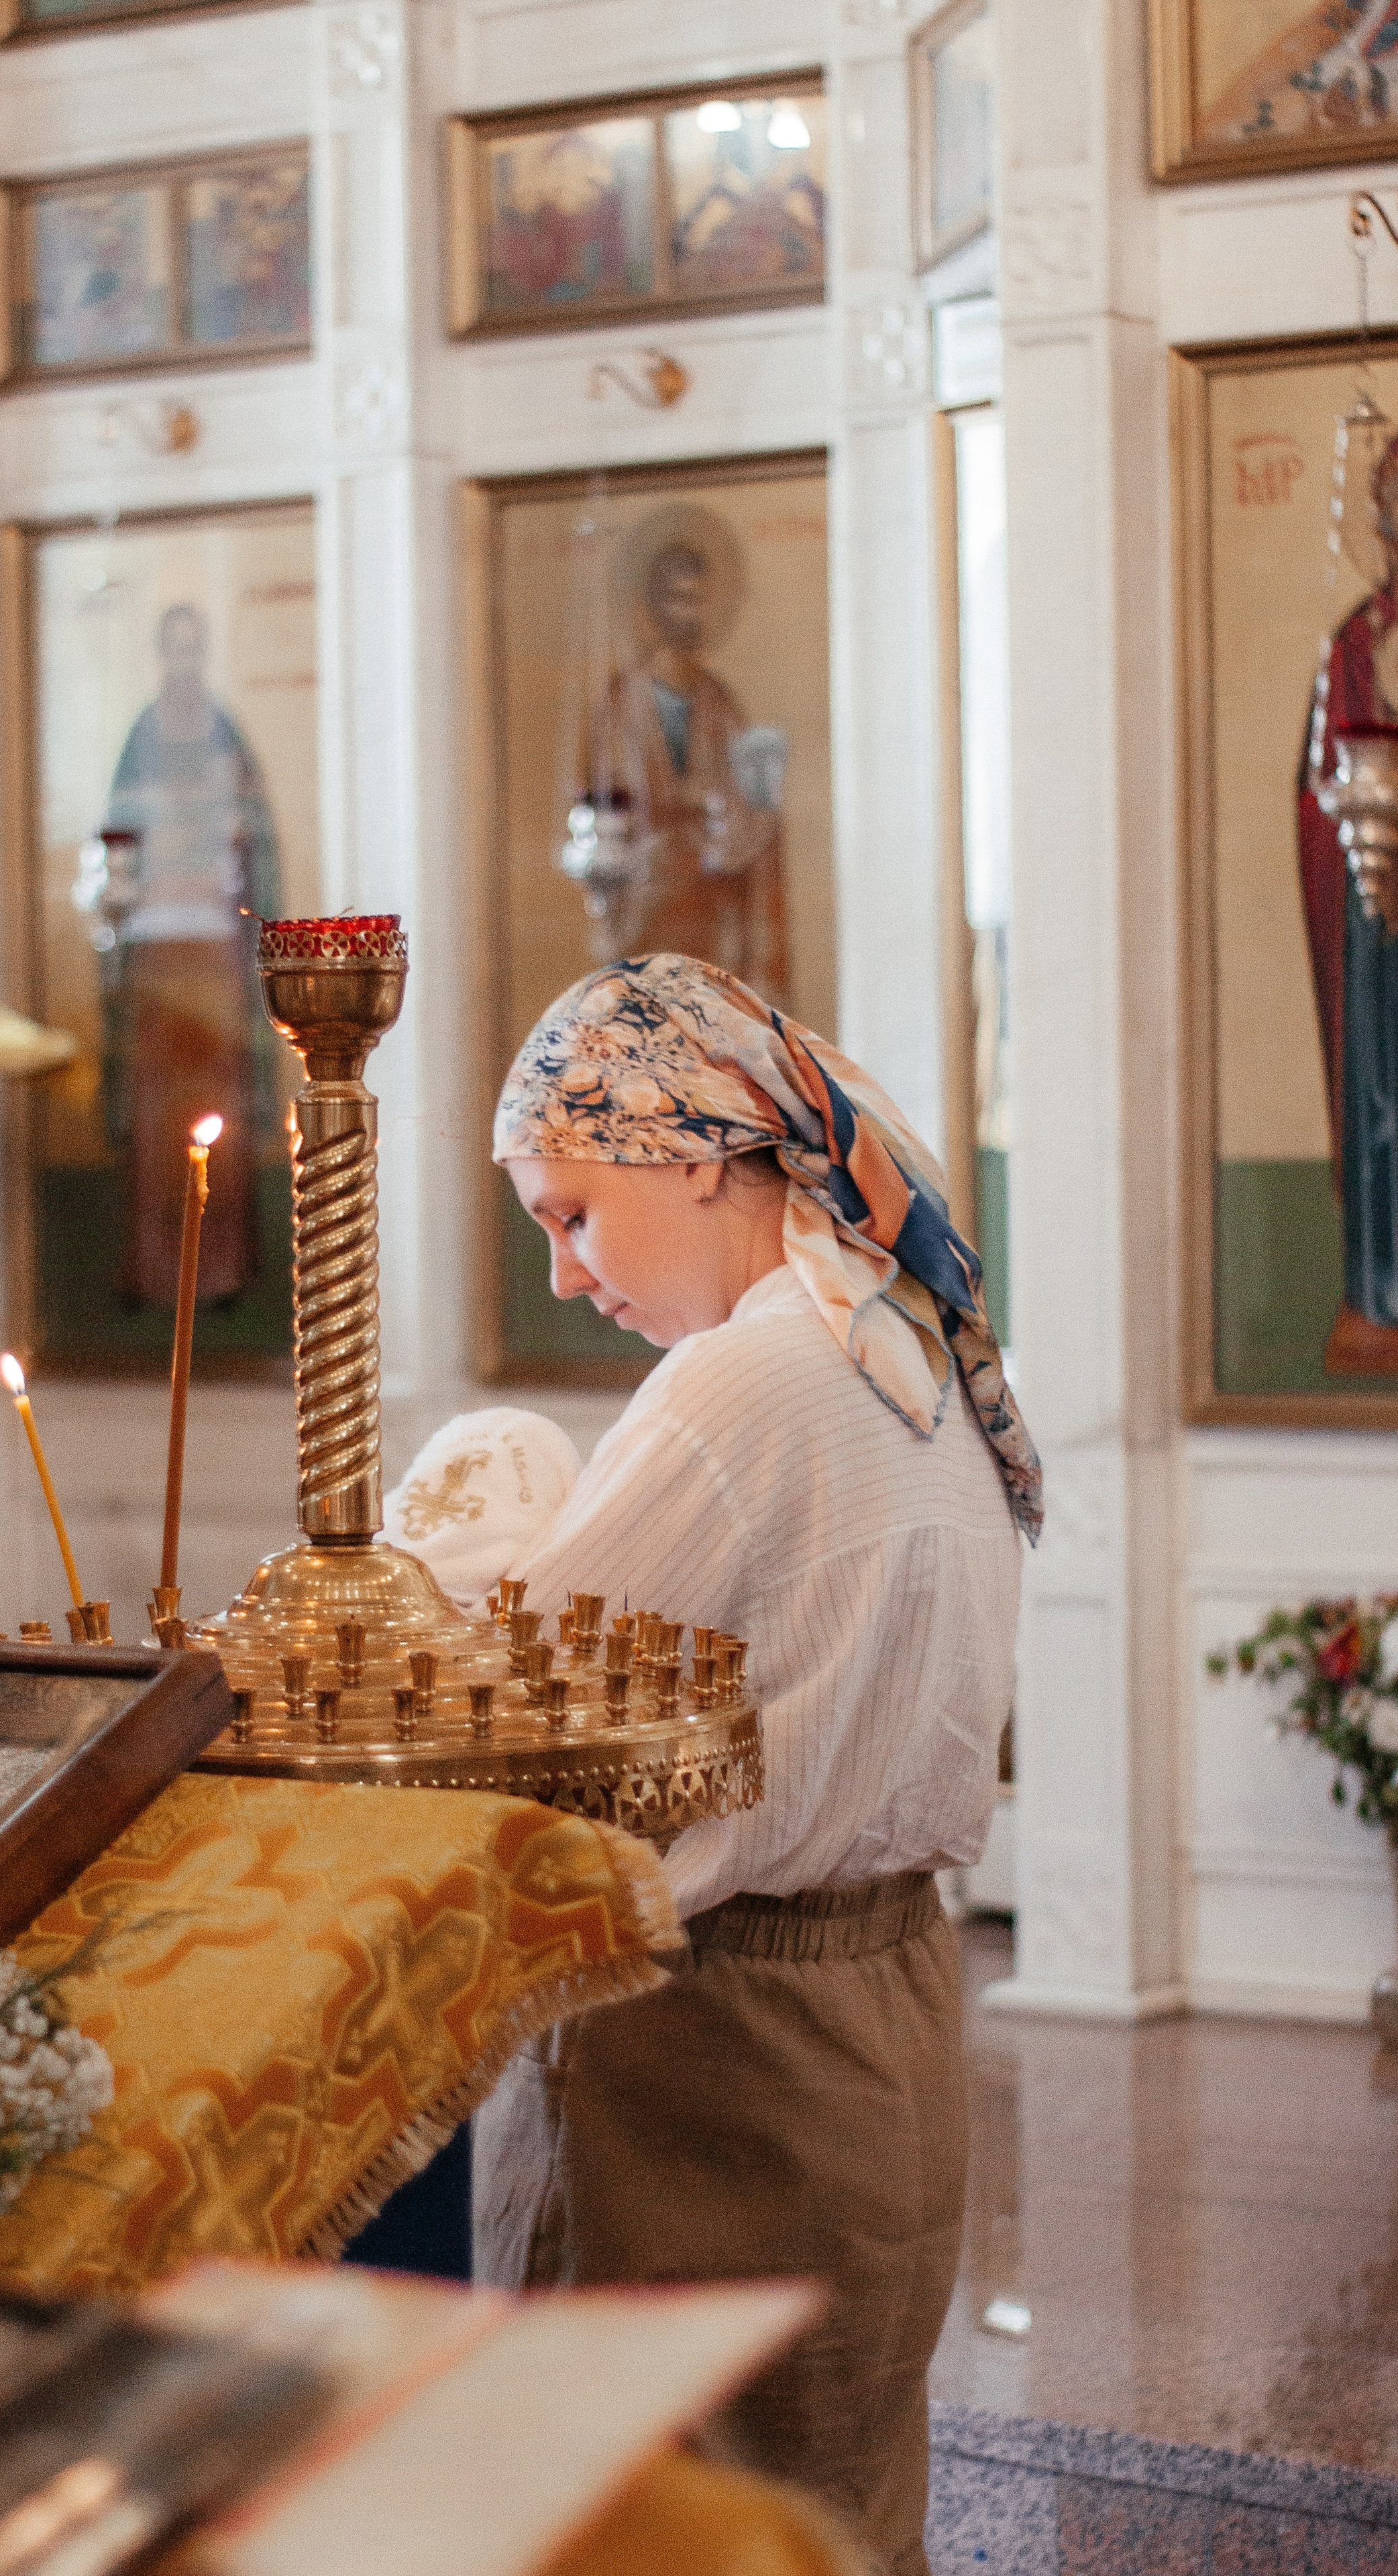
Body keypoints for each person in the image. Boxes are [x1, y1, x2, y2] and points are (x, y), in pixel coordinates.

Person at [469, 954, 1038, 2576]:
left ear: (696, 1151)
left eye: (570, 1211)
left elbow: (527, 1705)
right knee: (833, 2510)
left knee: (648, 2521)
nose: (566, 1274)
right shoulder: (898, 1333)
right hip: (886, 2023)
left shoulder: (743, 1380)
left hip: (712, 2046)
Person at [1299, 418, 1398, 1374]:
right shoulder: (1360, 640)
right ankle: (1390, 1301)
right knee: (1395, 1100)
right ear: (1385, 517)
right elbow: (1322, 784)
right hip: (1387, 919)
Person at [93, 602, 282, 1308]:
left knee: (215, 1112)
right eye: (170, 649)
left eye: (192, 649)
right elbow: (115, 846)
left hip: (213, 947)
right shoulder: (142, 735)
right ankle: (154, 1271)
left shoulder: (224, 734)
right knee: (155, 1120)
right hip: (153, 949)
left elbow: (251, 843)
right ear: (158, 655)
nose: (182, 663)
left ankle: (222, 1270)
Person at [579, 507, 791, 1003]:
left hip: (712, 915)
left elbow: (747, 809)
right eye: (676, 599)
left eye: (697, 600)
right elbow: (602, 810)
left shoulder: (720, 702)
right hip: (644, 910)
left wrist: (746, 828)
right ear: (653, 606)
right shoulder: (621, 702)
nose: (687, 614)